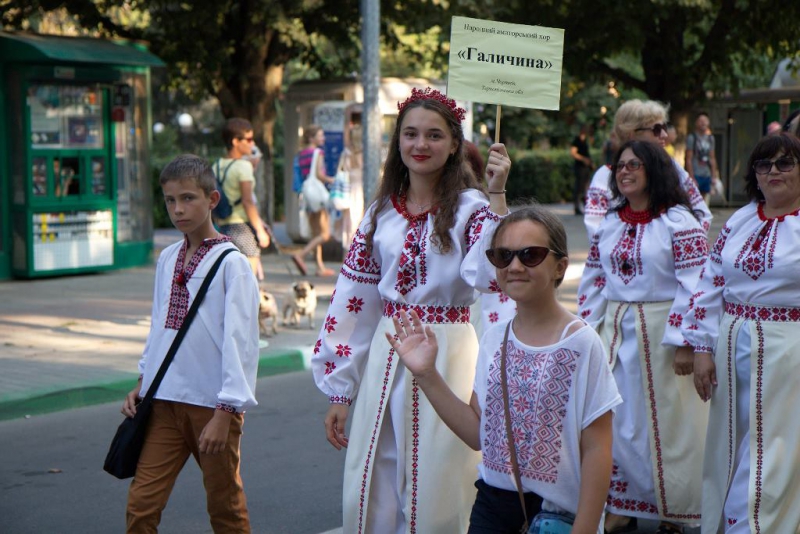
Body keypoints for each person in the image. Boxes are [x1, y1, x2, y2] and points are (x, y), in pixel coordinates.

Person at [311, 86, 512, 533]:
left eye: (434, 135)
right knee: (378, 474)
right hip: (387, 352)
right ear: (397, 141)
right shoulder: (381, 212)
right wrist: (341, 390)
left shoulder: (472, 209)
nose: (421, 145)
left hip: (449, 351)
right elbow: (354, 300)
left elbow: (491, 273)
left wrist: (497, 195)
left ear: (454, 144)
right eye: (411, 134)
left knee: (443, 475)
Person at [390, 205, 621, 534]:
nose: (515, 266)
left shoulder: (582, 344)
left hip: (558, 516)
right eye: (503, 255)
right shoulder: (494, 339)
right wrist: (426, 374)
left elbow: (598, 449)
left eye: (531, 255)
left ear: (560, 267)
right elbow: (477, 433)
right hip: (492, 508)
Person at [577, 141, 710, 534]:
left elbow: (697, 283)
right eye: (620, 165)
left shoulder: (679, 222)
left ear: (655, 169)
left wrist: (687, 339)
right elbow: (595, 281)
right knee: (621, 420)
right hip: (617, 330)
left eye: (635, 164)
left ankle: (675, 510)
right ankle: (621, 503)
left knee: (671, 424)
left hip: (663, 333)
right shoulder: (611, 222)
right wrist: (584, 333)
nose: (625, 171)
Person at [122, 154, 260, 533]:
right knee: (141, 506)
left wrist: (226, 411)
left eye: (188, 198)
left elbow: (241, 343)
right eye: (170, 200)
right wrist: (142, 380)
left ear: (212, 199)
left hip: (211, 406)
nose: (178, 209)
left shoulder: (233, 264)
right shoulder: (167, 258)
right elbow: (159, 326)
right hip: (164, 401)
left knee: (225, 508)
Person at [685, 133, 800, 533]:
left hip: (789, 350)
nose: (773, 172)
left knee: (774, 446)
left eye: (785, 163)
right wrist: (701, 345)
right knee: (731, 442)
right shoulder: (742, 218)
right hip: (732, 346)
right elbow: (710, 281)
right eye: (764, 165)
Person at [584, 100, 712, 242]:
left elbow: (702, 214)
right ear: (631, 134)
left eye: (664, 127)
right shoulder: (605, 175)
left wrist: (683, 248)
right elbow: (595, 229)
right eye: (656, 129)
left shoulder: (673, 168)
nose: (664, 134)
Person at [214, 118, 271, 276]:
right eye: (249, 139)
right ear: (235, 141)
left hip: (224, 228)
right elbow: (247, 202)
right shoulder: (243, 167)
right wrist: (260, 231)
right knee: (248, 280)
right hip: (242, 228)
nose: (252, 144)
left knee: (229, 278)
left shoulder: (217, 165)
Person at [292, 125, 336, 277]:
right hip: (317, 196)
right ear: (312, 138)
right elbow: (319, 175)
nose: (323, 138)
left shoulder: (300, 154)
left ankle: (320, 268)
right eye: (320, 135)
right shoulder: (318, 152)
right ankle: (301, 255)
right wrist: (334, 180)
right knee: (325, 234)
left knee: (316, 233)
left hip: (307, 196)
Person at [334, 124, 365, 248]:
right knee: (360, 221)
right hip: (361, 190)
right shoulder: (365, 154)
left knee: (348, 222)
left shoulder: (346, 153)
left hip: (348, 191)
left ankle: (347, 252)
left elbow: (340, 170)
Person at [685, 112, 719, 206]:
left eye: (705, 120)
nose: (703, 123)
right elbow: (688, 159)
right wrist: (691, 177)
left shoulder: (711, 138)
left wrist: (713, 176)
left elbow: (712, 158)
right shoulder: (692, 138)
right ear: (696, 123)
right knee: (694, 200)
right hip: (696, 173)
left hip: (706, 173)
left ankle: (702, 219)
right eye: (700, 120)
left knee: (704, 201)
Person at [570, 125, 594, 215]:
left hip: (586, 167)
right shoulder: (577, 140)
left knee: (586, 187)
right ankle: (577, 206)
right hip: (580, 167)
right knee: (579, 187)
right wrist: (583, 159)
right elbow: (573, 153)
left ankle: (585, 205)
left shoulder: (585, 141)